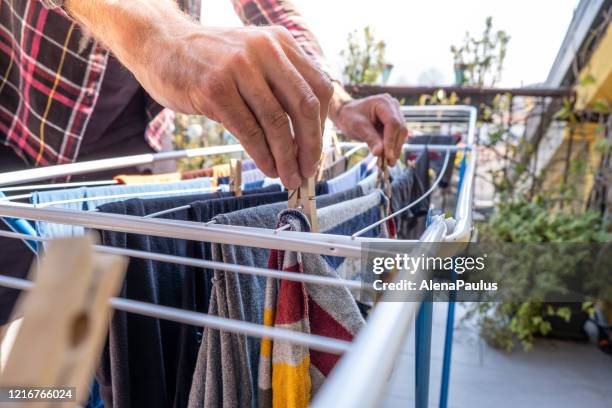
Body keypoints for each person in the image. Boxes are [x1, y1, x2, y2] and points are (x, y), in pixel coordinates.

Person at [0, 0, 408, 324]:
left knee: (83, 328)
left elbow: (270, 8)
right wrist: (163, 37)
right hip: (17, 125)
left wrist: (339, 102)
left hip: (129, 149)